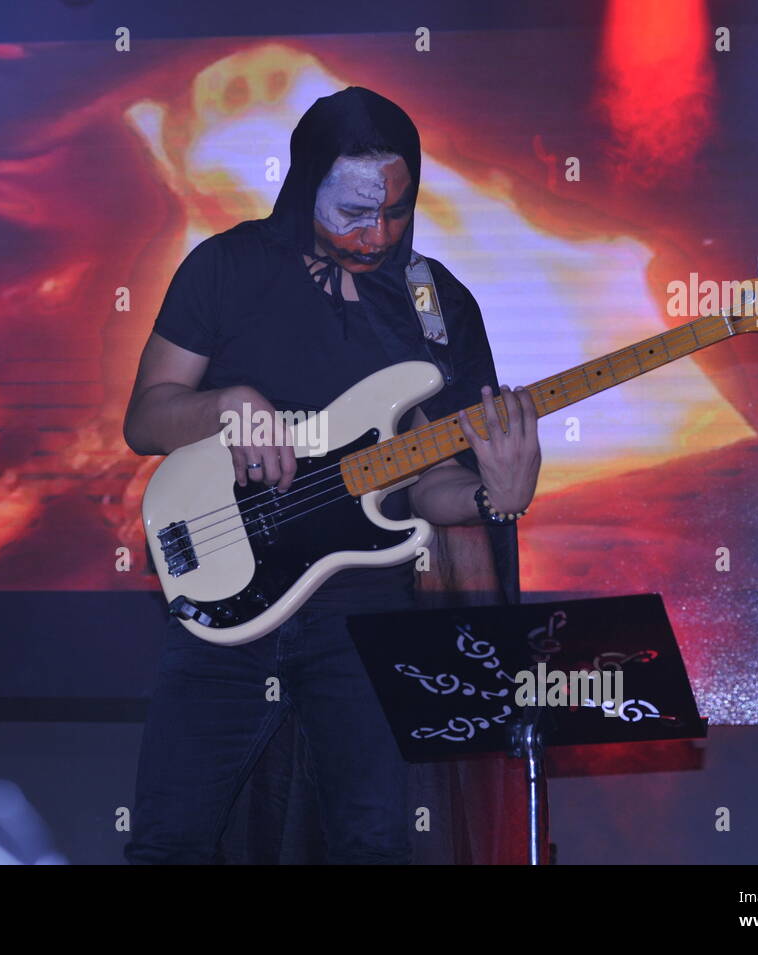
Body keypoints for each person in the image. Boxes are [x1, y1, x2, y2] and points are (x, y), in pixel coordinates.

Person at [122, 86, 541, 864]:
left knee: (371, 843)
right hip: (225, 586)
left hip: (364, 609)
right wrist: (227, 405)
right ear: (302, 182)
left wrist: (491, 495)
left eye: (393, 210)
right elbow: (146, 418)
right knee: (169, 840)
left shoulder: (436, 302)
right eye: (350, 211)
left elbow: (429, 484)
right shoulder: (227, 266)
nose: (374, 233)